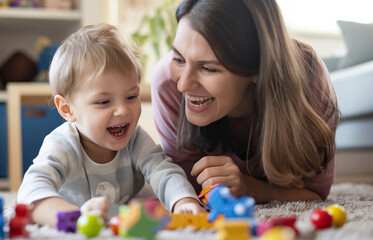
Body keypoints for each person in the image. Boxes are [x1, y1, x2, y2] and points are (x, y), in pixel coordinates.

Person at [151, 0, 340, 203]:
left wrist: (250, 187)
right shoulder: (167, 83)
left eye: (209, 68)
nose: (183, 85)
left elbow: (315, 193)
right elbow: (191, 191)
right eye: (179, 59)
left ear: (258, 67)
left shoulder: (308, 79)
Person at [17, 23, 204, 227]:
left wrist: (183, 200)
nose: (123, 110)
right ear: (67, 109)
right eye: (104, 102)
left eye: (131, 97)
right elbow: (31, 192)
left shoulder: (135, 140)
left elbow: (163, 171)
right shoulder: (61, 145)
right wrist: (75, 217)